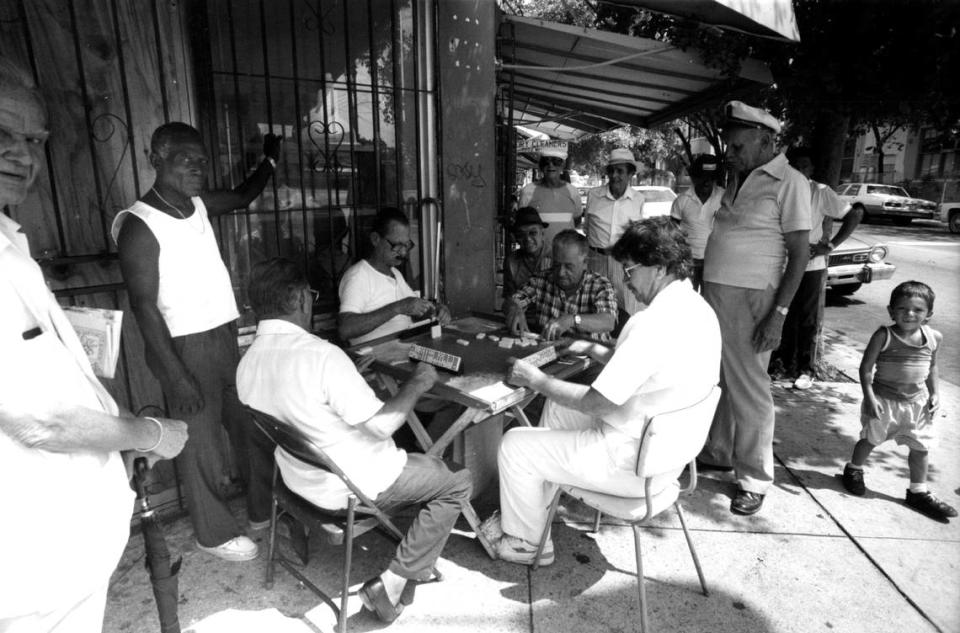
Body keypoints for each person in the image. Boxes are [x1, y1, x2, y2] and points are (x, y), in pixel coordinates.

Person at [0, 56, 188, 632]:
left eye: (34, 139)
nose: (23, 155)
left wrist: (119, 433)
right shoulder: (139, 224)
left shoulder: (11, 240)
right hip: (32, 573)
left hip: (67, 561)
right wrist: (149, 432)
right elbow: (42, 421)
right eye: (2, 134)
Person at [237, 258, 472, 623]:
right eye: (311, 296)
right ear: (301, 298)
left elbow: (300, 401)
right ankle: (393, 583)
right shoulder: (322, 357)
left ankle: (411, 557)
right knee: (457, 479)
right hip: (350, 486)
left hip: (297, 480)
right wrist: (418, 382)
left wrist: (349, 376)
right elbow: (382, 427)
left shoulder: (247, 362)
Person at [484, 217, 720, 564]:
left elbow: (597, 403)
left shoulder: (652, 323)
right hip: (667, 459)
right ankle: (536, 514)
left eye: (630, 270)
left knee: (515, 444)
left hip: (630, 465)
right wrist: (593, 349)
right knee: (557, 411)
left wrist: (536, 380)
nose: (627, 281)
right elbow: (648, 368)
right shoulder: (698, 309)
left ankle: (526, 543)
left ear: (658, 268)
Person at [113, 122, 281, 561]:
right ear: (156, 159)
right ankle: (214, 533)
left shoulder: (198, 207)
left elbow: (244, 196)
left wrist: (270, 160)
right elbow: (144, 308)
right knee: (201, 442)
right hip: (184, 347)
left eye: (202, 160)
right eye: (186, 159)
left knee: (249, 425)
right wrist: (176, 376)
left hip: (225, 336)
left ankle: (263, 509)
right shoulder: (139, 225)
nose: (198, 167)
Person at [698, 101, 812, 516]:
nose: (730, 154)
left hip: (753, 298)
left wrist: (778, 315)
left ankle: (755, 478)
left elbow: (799, 254)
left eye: (737, 146)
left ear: (766, 141)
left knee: (750, 389)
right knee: (722, 380)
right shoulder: (740, 178)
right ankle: (717, 452)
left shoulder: (790, 182)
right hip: (718, 294)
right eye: (730, 146)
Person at [841, 281, 955, 521]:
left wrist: (935, 393)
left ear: (929, 314)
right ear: (891, 311)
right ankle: (853, 470)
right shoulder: (884, 335)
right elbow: (866, 369)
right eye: (902, 309)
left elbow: (932, 367)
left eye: (917, 310)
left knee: (921, 447)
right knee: (870, 440)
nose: (909, 314)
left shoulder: (934, 337)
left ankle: (918, 491)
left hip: (918, 404)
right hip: (884, 402)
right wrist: (869, 397)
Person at [773, 146, 862, 389]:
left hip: (811, 265)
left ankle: (805, 369)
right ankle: (779, 363)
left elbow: (853, 215)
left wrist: (830, 245)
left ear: (811, 169)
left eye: (805, 166)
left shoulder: (820, 192)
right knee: (782, 313)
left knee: (807, 318)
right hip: (779, 263)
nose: (800, 171)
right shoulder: (780, 188)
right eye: (796, 166)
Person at [338, 207, 450, 346]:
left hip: (406, 350)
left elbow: (414, 312)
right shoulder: (358, 277)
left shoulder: (395, 274)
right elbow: (345, 329)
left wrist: (436, 310)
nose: (403, 252)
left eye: (407, 245)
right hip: (377, 360)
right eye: (396, 245)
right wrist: (397, 308)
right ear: (375, 239)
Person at [504, 229, 617, 342]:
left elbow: (608, 321)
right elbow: (512, 301)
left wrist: (572, 320)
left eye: (568, 266)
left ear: (585, 263)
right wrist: (514, 308)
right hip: (549, 351)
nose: (561, 273)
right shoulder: (540, 280)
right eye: (557, 265)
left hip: (590, 356)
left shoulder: (600, 285)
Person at [584, 148, 645, 318]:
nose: (615, 175)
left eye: (620, 171)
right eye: (611, 171)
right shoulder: (594, 195)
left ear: (630, 173)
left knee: (623, 307)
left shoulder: (638, 199)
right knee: (593, 305)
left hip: (623, 264)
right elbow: (587, 228)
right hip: (596, 260)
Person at [670, 154, 724, 292]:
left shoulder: (724, 198)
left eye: (711, 178)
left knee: (710, 302)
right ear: (695, 178)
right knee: (687, 301)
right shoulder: (682, 201)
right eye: (703, 178)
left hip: (713, 262)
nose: (707, 182)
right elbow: (672, 234)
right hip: (688, 262)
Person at [518, 146, 582, 246]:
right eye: (546, 162)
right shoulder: (528, 191)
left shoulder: (572, 191)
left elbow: (577, 220)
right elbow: (522, 223)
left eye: (556, 162)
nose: (550, 165)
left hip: (565, 255)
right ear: (541, 166)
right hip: (537, 257)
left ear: (562, 166)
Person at [502, 207, 552, 298]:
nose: (527, 239)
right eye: (521, 235)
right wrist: (512, 306)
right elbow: (508, 298)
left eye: (533, 233)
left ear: (542, 234)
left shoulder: (556, 257)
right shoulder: (511, 262)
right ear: (516, 238)